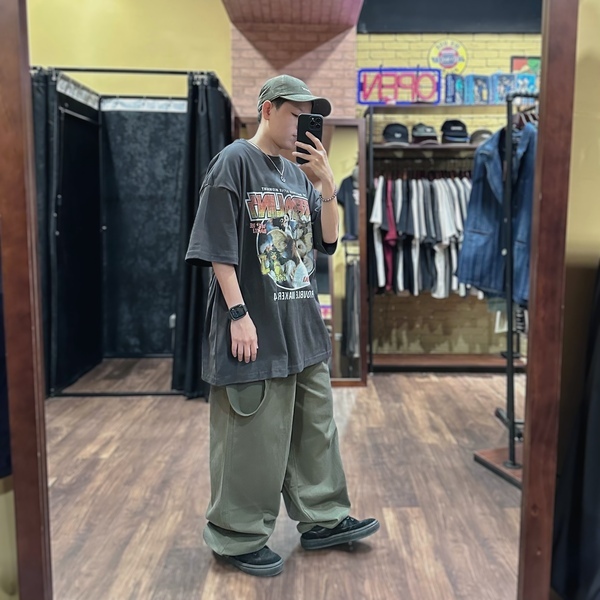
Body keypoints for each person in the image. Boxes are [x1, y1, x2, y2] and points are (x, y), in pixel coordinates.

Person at [185, 74, 379, 578]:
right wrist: (237, 315)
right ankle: (236, 535)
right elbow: (217, 247)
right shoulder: (234, 161)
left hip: (302, 328)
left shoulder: (297, 175)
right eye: (295, 114)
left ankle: (324, 519)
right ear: (268, 109)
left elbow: (327, 242)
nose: (302, 125)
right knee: (250, 437)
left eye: (308, 117)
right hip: (255, 327)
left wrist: (327, 186)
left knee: (316, 433)